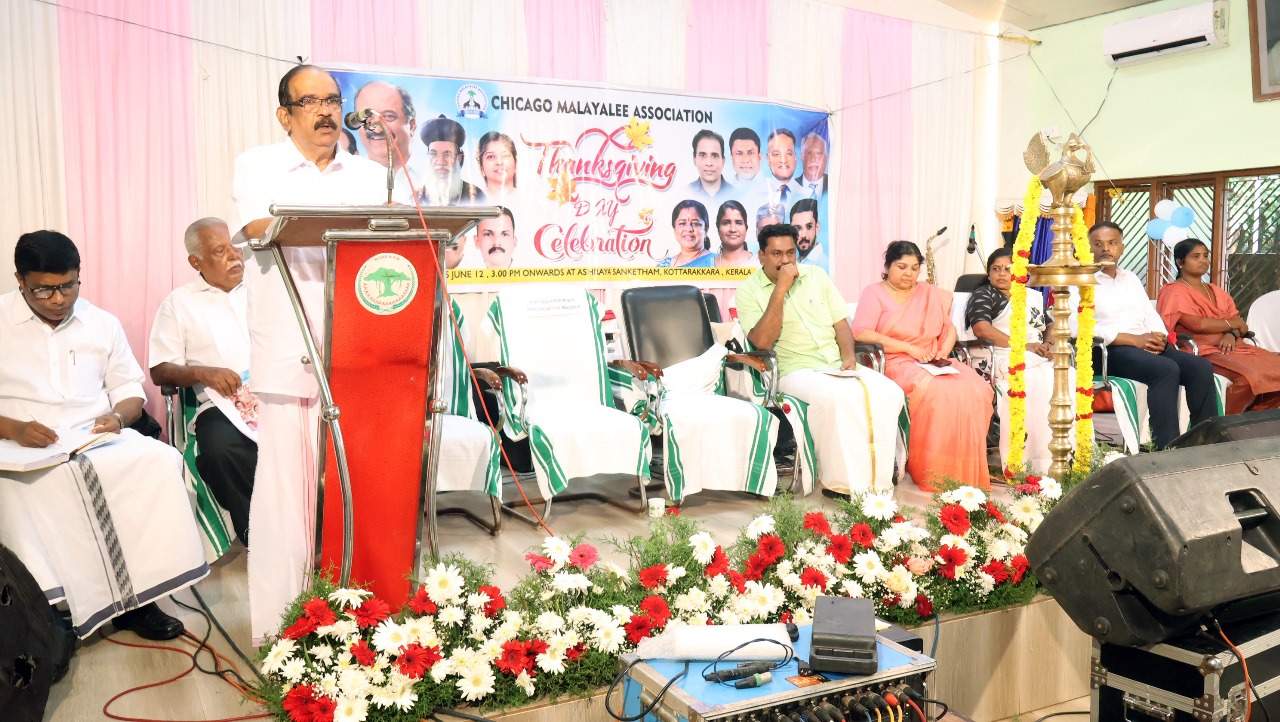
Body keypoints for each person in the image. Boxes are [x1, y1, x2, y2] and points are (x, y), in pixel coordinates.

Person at [229, 64, 404, 642]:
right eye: (312, 102)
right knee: (289, 498)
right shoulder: (258, 165)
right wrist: (360, 226)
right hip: (290, 349)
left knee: (362, 492)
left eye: (333, 99)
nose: (327, 111)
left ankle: (364, 617)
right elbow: (263, 228)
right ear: (286, 115)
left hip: (363, 352)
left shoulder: (372, 174)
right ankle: (285, 629)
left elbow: (408, 239)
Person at [0, 231, 208, 640]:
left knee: (159, 462)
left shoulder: (101, 323)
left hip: (92, 436)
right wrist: (15, 429)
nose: (58, 299)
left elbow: (129, 392)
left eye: (69, 286)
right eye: (44, 290)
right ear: (20, 280)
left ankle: (138, 600)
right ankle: (47, 613)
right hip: (16, 442)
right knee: (24, 489)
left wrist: (117, 416)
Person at [737, 225, 905, 494]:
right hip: (794, 371)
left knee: (890, 392)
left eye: (790, 253)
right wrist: (780, 289)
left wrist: (848, 356)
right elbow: (762, 342)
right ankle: (840, 484)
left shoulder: (816, 276)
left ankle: (877, 480)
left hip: (835, 365)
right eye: (777, 254)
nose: (785, 261)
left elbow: (841, 323)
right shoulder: (748, 290)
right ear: (761, 256)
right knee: (838, 399)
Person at [852, 241, 994, 490]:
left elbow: (949, 329)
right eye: (901, 267)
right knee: (939, 393)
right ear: (887, 266)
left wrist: (942, 351)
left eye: (914, 268)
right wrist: (910, 349)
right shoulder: (874, 293)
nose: (909, 273)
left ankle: (965, 468)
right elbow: (861, 333)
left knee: (976, 388)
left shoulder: (930, 293)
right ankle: (934, 469)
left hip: (933, 359)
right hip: (896, 361)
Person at [149, 217, 256, 546]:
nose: (234, 256)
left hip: (278, 395)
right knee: (221, 450)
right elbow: (160, 370)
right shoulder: (179, 303)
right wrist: (203, 372)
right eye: (220, 251)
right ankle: (257, 532)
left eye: (236, 247)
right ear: (196, 262)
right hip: (222, 404)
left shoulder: (264, 287)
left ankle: (316, 528)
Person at [1071, 222, 1217, 450]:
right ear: (1087, 248)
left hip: (1144, 345)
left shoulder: (1129, 278)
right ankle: (1166, 447)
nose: (1105, 248)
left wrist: (1159, 335)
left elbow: (1149, 313)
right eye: (1098, 244)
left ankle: (1205, 442)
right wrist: (1130, 339)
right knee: (1165, 369)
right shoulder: (1078, 281)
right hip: (1108, 351)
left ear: (1122, 247)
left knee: (1200, 367)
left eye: (1112, 243)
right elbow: (1075, 327)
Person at [964, 248, 1062, 474]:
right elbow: (982, 329)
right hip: (998, 353)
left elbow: (1049, 324)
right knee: (1032, 377)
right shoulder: (984, 294)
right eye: (996, 269)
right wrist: (1022, 346)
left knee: (1064, 375)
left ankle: (1062, 454)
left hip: (1034, 353)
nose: (1002, 273)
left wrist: (1049, 344)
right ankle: (1031, 462)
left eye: (1008, 269)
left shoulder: (1031, 296)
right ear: (988, 273)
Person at [1157, 238, 1280, 414]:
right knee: (1249, 378)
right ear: (1180, 262)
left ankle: (1253, 419)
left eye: (1205, 256)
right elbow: (1198, 324)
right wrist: (1232, 324)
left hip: (1233, 347)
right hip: (1200, 351)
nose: (1203, 260)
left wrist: (1230, 334)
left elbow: (1240, 325)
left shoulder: (1216, 290)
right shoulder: (1174, 291)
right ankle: (1225, 422)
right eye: (1196, 256)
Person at [353, 80, 423, 196]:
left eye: (388, 116)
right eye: (366, 118)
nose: (377, 129)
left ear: (411, 126)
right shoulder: (345, 179)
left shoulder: (435, 177)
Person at [419, 115, 486, 206]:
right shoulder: (417, 197)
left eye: (448, 154)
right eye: (434, 154)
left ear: (459, 158)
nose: (441, 162)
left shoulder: (477, 196)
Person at [657, 200, 716, 268]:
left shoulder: (719, 263)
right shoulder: (663, 266)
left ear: (706, 230)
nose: (688, 229)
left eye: (695, 224)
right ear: (674, 229)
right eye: (682, 223)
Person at [687, 129, 734, 203]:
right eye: (703, 155)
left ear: (723, 161)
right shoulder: (685, 192)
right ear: (694, 159)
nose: (709, 163)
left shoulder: (735, 193)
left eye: (714, 156)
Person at [477, 131, 517, 202]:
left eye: (505, 155)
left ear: (516, 164)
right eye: (491, 157)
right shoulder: (472, 202)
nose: (499, 162)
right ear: (482, 169)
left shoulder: (529, 201)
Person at [788, 132, 828, 199]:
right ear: (803, 157)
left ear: (826, 157)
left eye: (818, 153)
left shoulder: (835, 184)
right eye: (809, 153)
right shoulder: (790, 188)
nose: (813, 159)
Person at [714, 200, 754, 267]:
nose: (733, 229)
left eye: (738, 223)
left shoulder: (760, 265)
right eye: (726, 223)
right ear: (718, 227)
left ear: (746, 228)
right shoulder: (704, 266)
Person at [789, 198, 827, 269]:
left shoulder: (824, 265)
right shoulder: (794, 262)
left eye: (809, 227)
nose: (804, 235)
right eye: (797, 228)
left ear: (817, 227)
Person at [765, 129, 798, 208]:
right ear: (768, 159)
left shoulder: (807, 194)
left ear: (795, 158)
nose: (783, 160)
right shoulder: (757, 193)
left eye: (789, 153)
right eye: (776, 154)